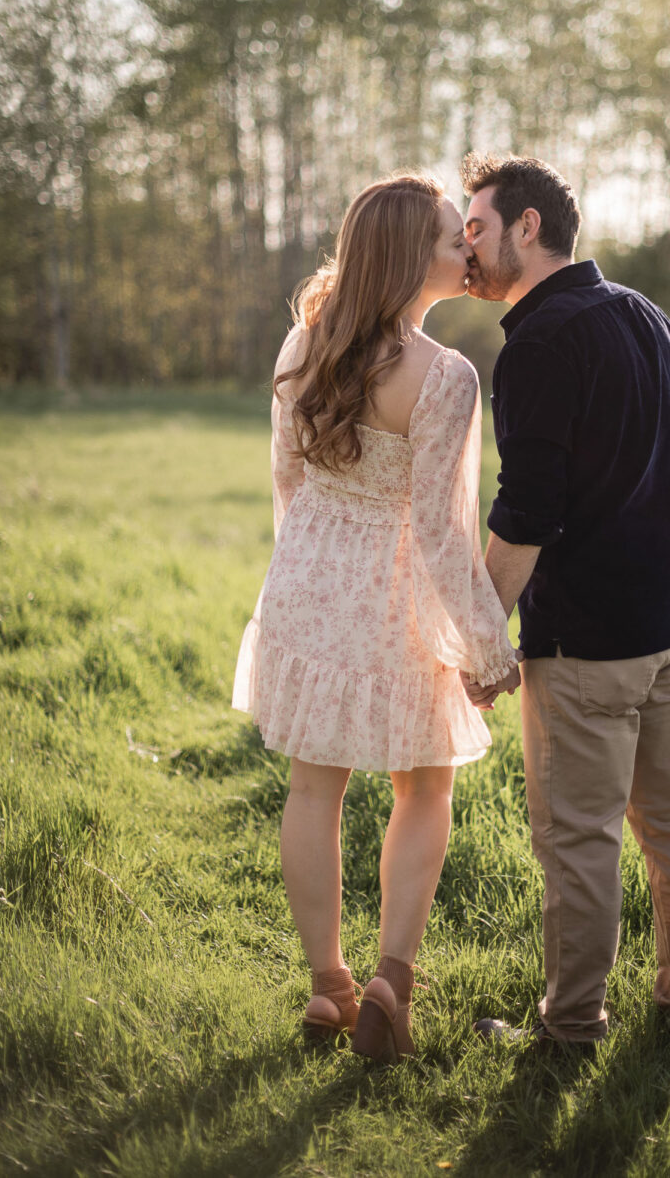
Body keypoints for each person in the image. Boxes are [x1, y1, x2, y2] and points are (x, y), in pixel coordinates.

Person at [233, 172, 518, 1063]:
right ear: (407, 258)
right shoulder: (447, 378)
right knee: (424, 785)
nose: (464, 250)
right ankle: (392, 977)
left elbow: (288, 484)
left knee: (313, 790)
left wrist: (300, 576)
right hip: (396, 599)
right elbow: (441, 532)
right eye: (448, 237)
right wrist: (486, 645)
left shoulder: (300, 346)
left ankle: (329, 988)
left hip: (308, 584)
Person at [459, 152, 670, 1049]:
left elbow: (527, 509)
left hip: (586, 651)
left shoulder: (535, 344)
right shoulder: (645, 313)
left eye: (478, 226)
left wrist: (484, 638)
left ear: (527, 227)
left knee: (579, 842)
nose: (468, 245)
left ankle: (570, 1029)